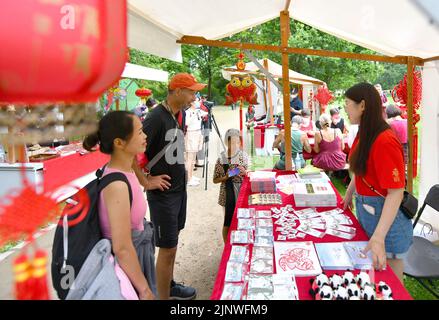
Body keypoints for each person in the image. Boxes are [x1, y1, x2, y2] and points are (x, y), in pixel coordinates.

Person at [133, 73, 206, 300]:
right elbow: (131, 153)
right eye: (192, 91)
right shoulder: (155, 118)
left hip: (178, 189)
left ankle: (169, 285)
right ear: (177, 91)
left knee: (172, 244)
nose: (195, 96)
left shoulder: (181, 113)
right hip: (163, 195)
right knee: (167, 248)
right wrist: (146, 181)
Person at [342, 82, 412, 283]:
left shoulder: (384, 140)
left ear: (362, 106)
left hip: (386, 217)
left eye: (347, 103)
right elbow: (359, 168)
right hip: (368, 209)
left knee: (390, 279)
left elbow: (396, 192)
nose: (345, 107)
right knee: (375, 276)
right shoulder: (364, 133)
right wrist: (348, 194)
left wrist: (379, 236)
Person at [83, 111, 156, 300]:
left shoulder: (126, 170)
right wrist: (144, 290)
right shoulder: (117, 185)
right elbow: (122, 247)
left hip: (134, 260)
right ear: (119, 143)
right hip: (126, 269)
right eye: (139, 132)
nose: (145, 135)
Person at [213, 129, 248, 243]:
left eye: (238, 143)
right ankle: (227, 247)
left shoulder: (243, 156)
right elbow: (215, 180)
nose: (236, 145)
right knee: (228, 221)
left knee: (242, 219)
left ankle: (239, 243)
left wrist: (245, 172)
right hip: (227, 192)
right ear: (227, 142)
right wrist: (227, 176)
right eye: (232, 143)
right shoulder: (221, 159)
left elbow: (248, 172)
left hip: (242, 191)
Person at [185, 100, 207, 186]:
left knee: (194, 157)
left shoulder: (198, 111)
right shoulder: (188, 112)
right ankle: (188, 179)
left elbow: (206, 113)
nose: (199, 102)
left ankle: (191, 176)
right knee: (189, 158)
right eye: (197, 101)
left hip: (198, 133)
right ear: (191, 103)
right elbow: (187, 123)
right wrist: (194, 114)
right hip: (191, 134)